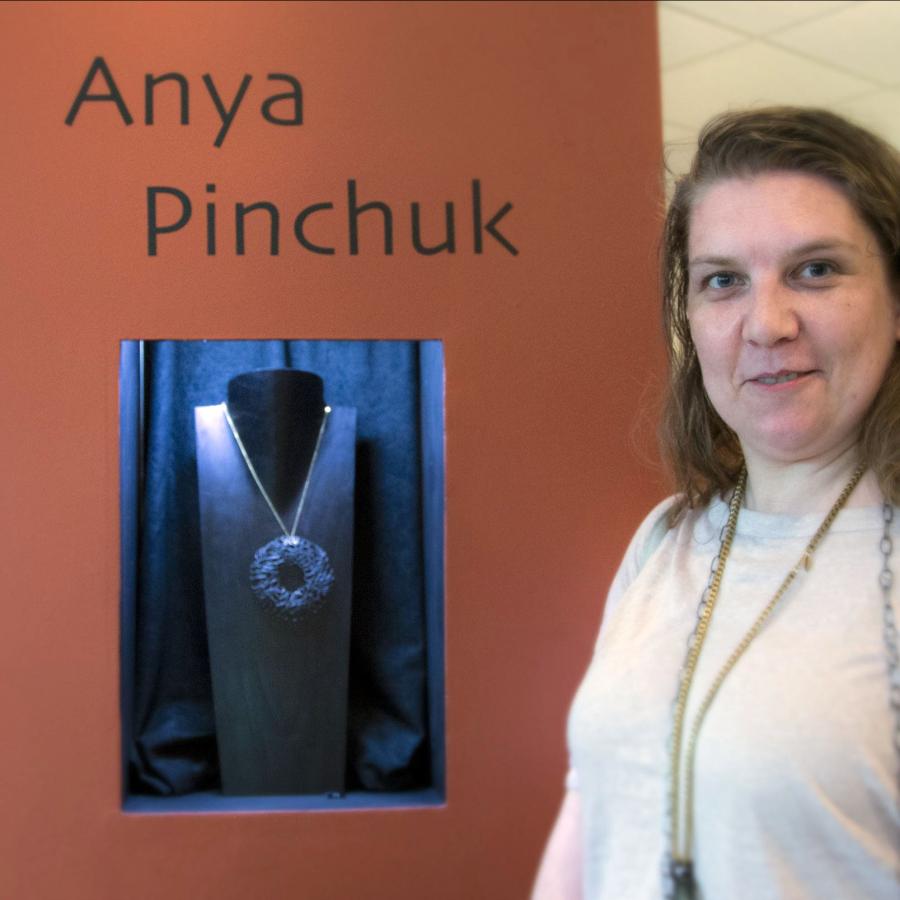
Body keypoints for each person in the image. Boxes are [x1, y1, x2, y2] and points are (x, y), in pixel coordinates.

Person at [531, 107, 900, 900]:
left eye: (816, 270)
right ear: (690, 319)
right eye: (723, 281)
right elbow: (592, 804)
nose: (767, 323)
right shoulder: (667, 540)